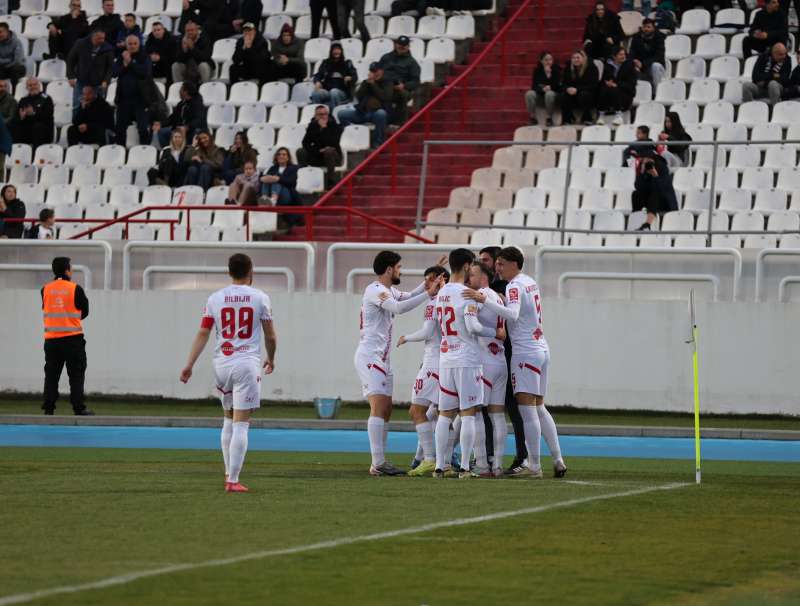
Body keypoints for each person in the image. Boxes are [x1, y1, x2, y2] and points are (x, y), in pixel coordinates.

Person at [464, 247, 567, 479]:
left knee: (527, 411)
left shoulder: (513, 286)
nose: (497, 269)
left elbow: (512, 314)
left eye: (501, 264)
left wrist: (484, 299)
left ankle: (534, 465)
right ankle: (558, 459)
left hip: (525, 352)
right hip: (541, 348)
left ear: (513, 263)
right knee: (539, 407)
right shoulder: (530, 282)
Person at [180, 253, 277, 493]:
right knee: (241, 424)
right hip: (246, 364)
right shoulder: (260, 297)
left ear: (229, 271)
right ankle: (233, 480)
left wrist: (189, 364)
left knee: (227, 419)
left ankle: (228, 472)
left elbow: (203, 333)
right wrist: (271, 358)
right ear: (251, 271)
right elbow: (270, 335)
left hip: (222, 364)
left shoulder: (215, 298)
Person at [355, 250, 439, 476]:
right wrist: (429, 293)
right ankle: (378, 463)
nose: (401, 271)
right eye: (399, 267)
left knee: (386, 409)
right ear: (389, 269)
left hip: (382, 358)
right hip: (370, 357)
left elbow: (408, 296)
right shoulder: (375, 291)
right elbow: (399, 308)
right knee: (378, 407)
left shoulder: (388, 290)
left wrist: (426, 284)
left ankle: (379, 461)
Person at [433, 248, 505, 480]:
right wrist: (495, 333)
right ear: (466, 266)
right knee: (468, 414)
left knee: (444, 414)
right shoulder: (467, 294)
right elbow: (473, 327)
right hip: (467, 359)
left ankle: (440, 465)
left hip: (446, 358)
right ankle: (465, 467)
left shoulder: (441, 293)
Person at [396, 265, 448, 476]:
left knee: (417, 411)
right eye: (425, 280)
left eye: (430, 280)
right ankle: (446, 461)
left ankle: (429, 459)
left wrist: (406, 337)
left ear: (440, 280)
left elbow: (427, 332)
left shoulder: (433, 303)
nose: (426, 284)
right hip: (449, 361)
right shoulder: (451, 300)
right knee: (444, 414)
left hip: (433, 363)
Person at [479, 245, 527, 473]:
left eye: (487, 260)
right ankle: (494, 458)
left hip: (503, 354)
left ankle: (517, 456)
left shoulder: (500, 289)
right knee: (493, 411)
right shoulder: (497, 289)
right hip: (499, 355)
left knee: (510, 408)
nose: (487, 265)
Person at [467, 261, 508, 478]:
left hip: (484, 362)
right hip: (500, 360)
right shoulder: (498, 297)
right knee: (497, 415)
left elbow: (472, 326)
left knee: (474, 412)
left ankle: (482, 463)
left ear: (483, 277)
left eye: (472, 274)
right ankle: (498, 465)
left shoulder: (481, 295)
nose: (469, 278)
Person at [41, 257, 94, 416]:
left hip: (51, 340)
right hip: (72, 339)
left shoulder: (45, 289)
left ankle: (49, 408)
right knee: (76, 374)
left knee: (51, 375)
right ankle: (78, 407)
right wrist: (70, 319)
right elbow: (85, 311)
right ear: (67, 270)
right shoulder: (75, 289)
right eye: (71, 268)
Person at [338, 62, 393, 147]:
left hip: (376, 112)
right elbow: (358, 96)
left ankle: (377, 142)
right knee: (341, 114)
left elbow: (385, 97)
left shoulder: (387, 82)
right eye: (372, 71)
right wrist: (367, 83)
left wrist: (373, 84)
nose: (374, 73)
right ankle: (354, 136)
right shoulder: (366, 82)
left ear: (381, 71)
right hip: (362, 112)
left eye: (375, 71)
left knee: (381, 114)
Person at [112, 35, 153, 146]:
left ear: (139, 44)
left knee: (142, 128)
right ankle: (120, 150)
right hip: (123, 98)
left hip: (140, 99)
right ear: (126, 45)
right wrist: (124, 65)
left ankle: (144, 149)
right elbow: (114, 73)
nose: (132, 46)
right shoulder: (121, 57)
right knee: (120, 128)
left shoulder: (144, 57)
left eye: (135, 43)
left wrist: (130, 62)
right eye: (130, 44)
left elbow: (145, 72)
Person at [66, 29, 114, 113]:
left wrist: (106, 80)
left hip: (99, 84)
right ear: (93, 37)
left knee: (98, 109)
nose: (102, 40)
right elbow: (71, 60)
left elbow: (110, 67)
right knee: (77, 106)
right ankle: (76, 121)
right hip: (81, 81)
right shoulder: (80, 44)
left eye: (103, 38)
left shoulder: (108, 48)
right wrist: (70, 76)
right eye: (99, 38)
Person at [297, 105, 343, 188]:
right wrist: (318, 150)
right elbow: (305, 143)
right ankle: (304, 177)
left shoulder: (334, 125)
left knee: (329, 151)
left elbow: (332, 143)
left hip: (333, 157)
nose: (323, 116)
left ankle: (330, 181)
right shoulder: (312, 126)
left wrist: (324, 128)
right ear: (315, 116)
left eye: (325, 114)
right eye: (320, 114)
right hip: (318, 155)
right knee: (301, 151)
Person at [631, 152, 678, 230]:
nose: (647, 163)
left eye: (649, 161)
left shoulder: (662, 167)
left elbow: (662, 189)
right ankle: (635, 219)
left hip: (666, 202)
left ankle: (648, 223)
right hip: (651, 201)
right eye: (645, 160)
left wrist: (655, 176)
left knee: (655, 193)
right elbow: (638, 187)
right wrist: (642, 173)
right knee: (636, 194)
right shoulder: (643, 167)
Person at [379, 36, 420, 125]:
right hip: (384, 86)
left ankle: (398, 123)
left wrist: (404, 85)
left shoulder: (412, 63)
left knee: (400, 95)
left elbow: (415, 82)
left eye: (404, 45)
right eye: (400, 44)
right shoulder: (386, 57)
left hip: (401, 89)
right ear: (395, 44)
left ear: (408, 46)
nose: (401, 47)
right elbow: (377, 71)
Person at [153, 81, 206, 148]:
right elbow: (172, 118)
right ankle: (170, 149)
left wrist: (187, 127)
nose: (179, 92)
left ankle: (188, 149)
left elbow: (199, 120)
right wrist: (161, 124)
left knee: (196, 132)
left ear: (185, 92)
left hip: (191, 130)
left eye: (181, 89)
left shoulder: (198, 104)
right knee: (161, 132)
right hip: (178, 130)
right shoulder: (182, 104)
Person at [259, 147, 302, 224]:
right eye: (279, 154)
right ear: (276, 157)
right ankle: (264, 199)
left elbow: (292, 182)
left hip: (287, 195)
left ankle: (273, 200)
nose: (281, 156)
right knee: (269, 180)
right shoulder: (273, 168)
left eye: (284, 154)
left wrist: (278, 179)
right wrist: (267, 178)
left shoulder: (294, 168)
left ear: (288, 157)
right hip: (270, 193)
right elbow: (263, 178)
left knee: (276, 180)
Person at [311, 42, 357, 112]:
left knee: (334, 92)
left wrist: (350, 78)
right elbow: (318, 75)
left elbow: (355, 76)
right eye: (334, 50)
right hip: (327, 90)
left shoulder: (347, 63)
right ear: (331, 51)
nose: (336, 51)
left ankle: (334, 114)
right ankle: (318, 115)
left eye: (338, 49)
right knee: (316, 93)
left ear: (341, 51)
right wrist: (317, 81)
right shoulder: (326, 62)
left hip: (342, 92)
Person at [11, 78, 55, 151]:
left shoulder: (47, 99)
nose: (33, 87)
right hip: (28, 130)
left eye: (35, 84)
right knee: (14, 127)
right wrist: (21, 118)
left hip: (44, 131)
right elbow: (17, 117)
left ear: (39, 86)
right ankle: (16, 153)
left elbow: (47, 117)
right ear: (27, 87)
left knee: (37, 127)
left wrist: (34, 113)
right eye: (30, 85)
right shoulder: (23, 100)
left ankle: (35, 154)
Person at [597, 46, 636, 125]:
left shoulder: (630, 66)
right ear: (614, 56)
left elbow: (631, 85)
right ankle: (601, 115)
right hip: (609, 92)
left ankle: (619, 115)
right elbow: (604, 79)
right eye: (620, 55)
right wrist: (607, 83)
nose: (623, 56)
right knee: (604, 89)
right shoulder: (607, 65)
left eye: (624, 54)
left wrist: (617, 84)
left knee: (615, 89)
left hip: (625, 93)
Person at [560, 50, 598, 125]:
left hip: (587, 93)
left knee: (584, 94)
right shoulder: (568, 68)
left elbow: (593, 85)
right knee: (563, 95)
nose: (576, 60)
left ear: (583, 58)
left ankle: (587, 118)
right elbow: (563, 83)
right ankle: (567, 119)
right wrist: (567, 88)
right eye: (573, 58)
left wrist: (577, 89)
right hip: (572, 93)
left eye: (578, 57)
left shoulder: (591, 68)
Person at [525, 51, 561, 126]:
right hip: (540, 95)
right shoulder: (537, 70)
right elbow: (534, 86)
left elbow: (558, 86)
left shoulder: (556, 69)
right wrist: (542, 89)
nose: (548, 62)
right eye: (546, 60)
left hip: (552, 96)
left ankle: (549, 118)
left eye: (550, 59)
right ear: (541, 61)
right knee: (529, 94)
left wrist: (549, 78)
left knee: (549, 94)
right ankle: (533, 117)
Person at [628, 18, 666, 91]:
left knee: (655, 66)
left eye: (649, 27)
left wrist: (643, 64)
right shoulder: (636, 37)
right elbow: (632, 52)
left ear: (653, 28)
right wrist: (634, 61)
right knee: (630, 65)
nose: (646, 29)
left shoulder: (659, 38)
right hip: (640, 65)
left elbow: (659, 56)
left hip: (654, 66)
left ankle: (657, 92)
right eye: (644, 27)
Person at [172, 20, 214, 84]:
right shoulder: (182, 39)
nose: (190, 32)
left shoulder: (205, 38)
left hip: (202, 66)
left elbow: (206, 57)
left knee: (203, 66)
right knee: (175, 66)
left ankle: (205, 87)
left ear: (197, 30)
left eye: (192, 30)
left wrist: (193, 48)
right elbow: (177, 59)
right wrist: (184, 50)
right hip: (188, 67)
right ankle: (178, 87)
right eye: (187, 31)